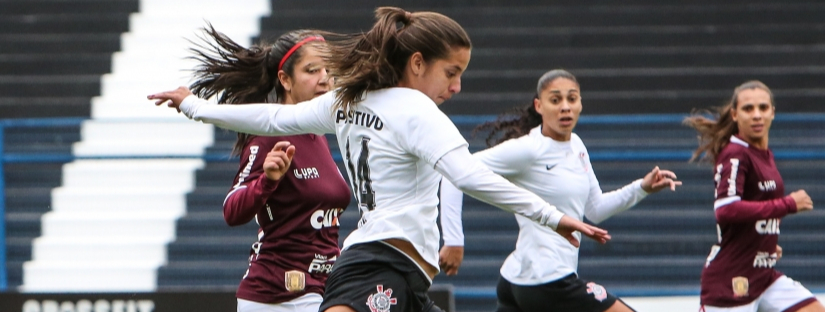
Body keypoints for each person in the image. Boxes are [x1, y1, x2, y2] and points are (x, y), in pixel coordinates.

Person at [149, 7, 610, 312]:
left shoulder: (348, 102)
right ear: (416, 63)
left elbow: (270, 115)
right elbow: (469, 176)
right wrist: (553, 217)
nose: (456, 87)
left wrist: (194, 105)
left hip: (405, 276)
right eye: (451, 73)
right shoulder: (413, 110)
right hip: (376, 265)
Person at [437, 69, 681, 312]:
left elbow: (595, 209)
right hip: (546, 282)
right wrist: (454, 240)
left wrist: (642, 187)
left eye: (572, 98)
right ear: (539, 105)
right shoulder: (529, 149)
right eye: (555, 100)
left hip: (517, 280)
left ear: (580, 104)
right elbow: (453, 175)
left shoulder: (577, 145)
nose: (565, 106)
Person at [188, 27, 353, 312]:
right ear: (285, 80)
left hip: (320, 290)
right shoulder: (268, 137)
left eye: (329, 69)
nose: (325, 78)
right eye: (312, 70)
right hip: (275, 297)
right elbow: (232, 210)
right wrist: (267, 180)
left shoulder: (321, 135)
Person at [684, 80, 825, 312]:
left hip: (763, 276)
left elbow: (756, 208)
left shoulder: (762, 154)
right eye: (748, 109)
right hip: (731, 282)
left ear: (773, 112)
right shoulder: (735, 155)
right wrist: (788, 204)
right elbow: (726, 210)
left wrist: (762, 242)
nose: (757, 115)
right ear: (734, 114)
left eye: (763, 108)